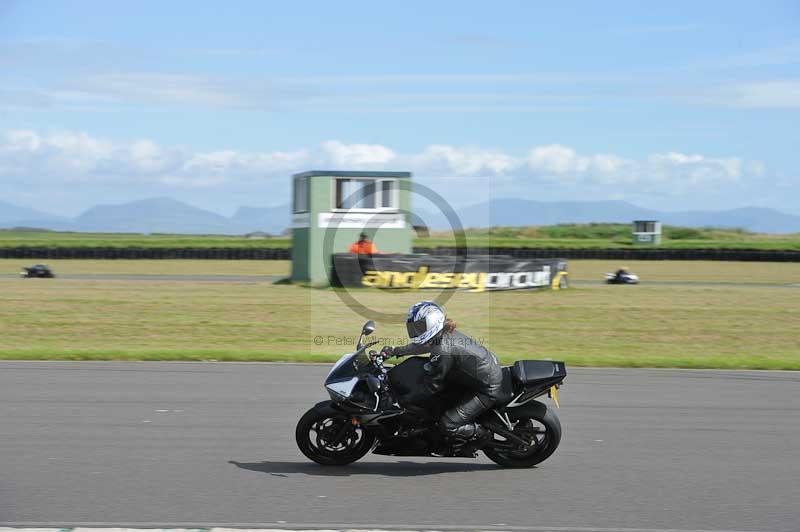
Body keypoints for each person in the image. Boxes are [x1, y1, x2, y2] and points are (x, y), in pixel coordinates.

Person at [382, 301, 503, 441]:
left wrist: (402, 401)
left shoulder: (443, 350)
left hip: (486, 388)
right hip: (477, 374)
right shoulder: (441, 335)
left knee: (448, 424)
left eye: (419, 326)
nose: (415, 330)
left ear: (432, 323)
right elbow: (423, 346)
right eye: (414, 327)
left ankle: (483, 434)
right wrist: (395, 351)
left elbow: (432, 386)